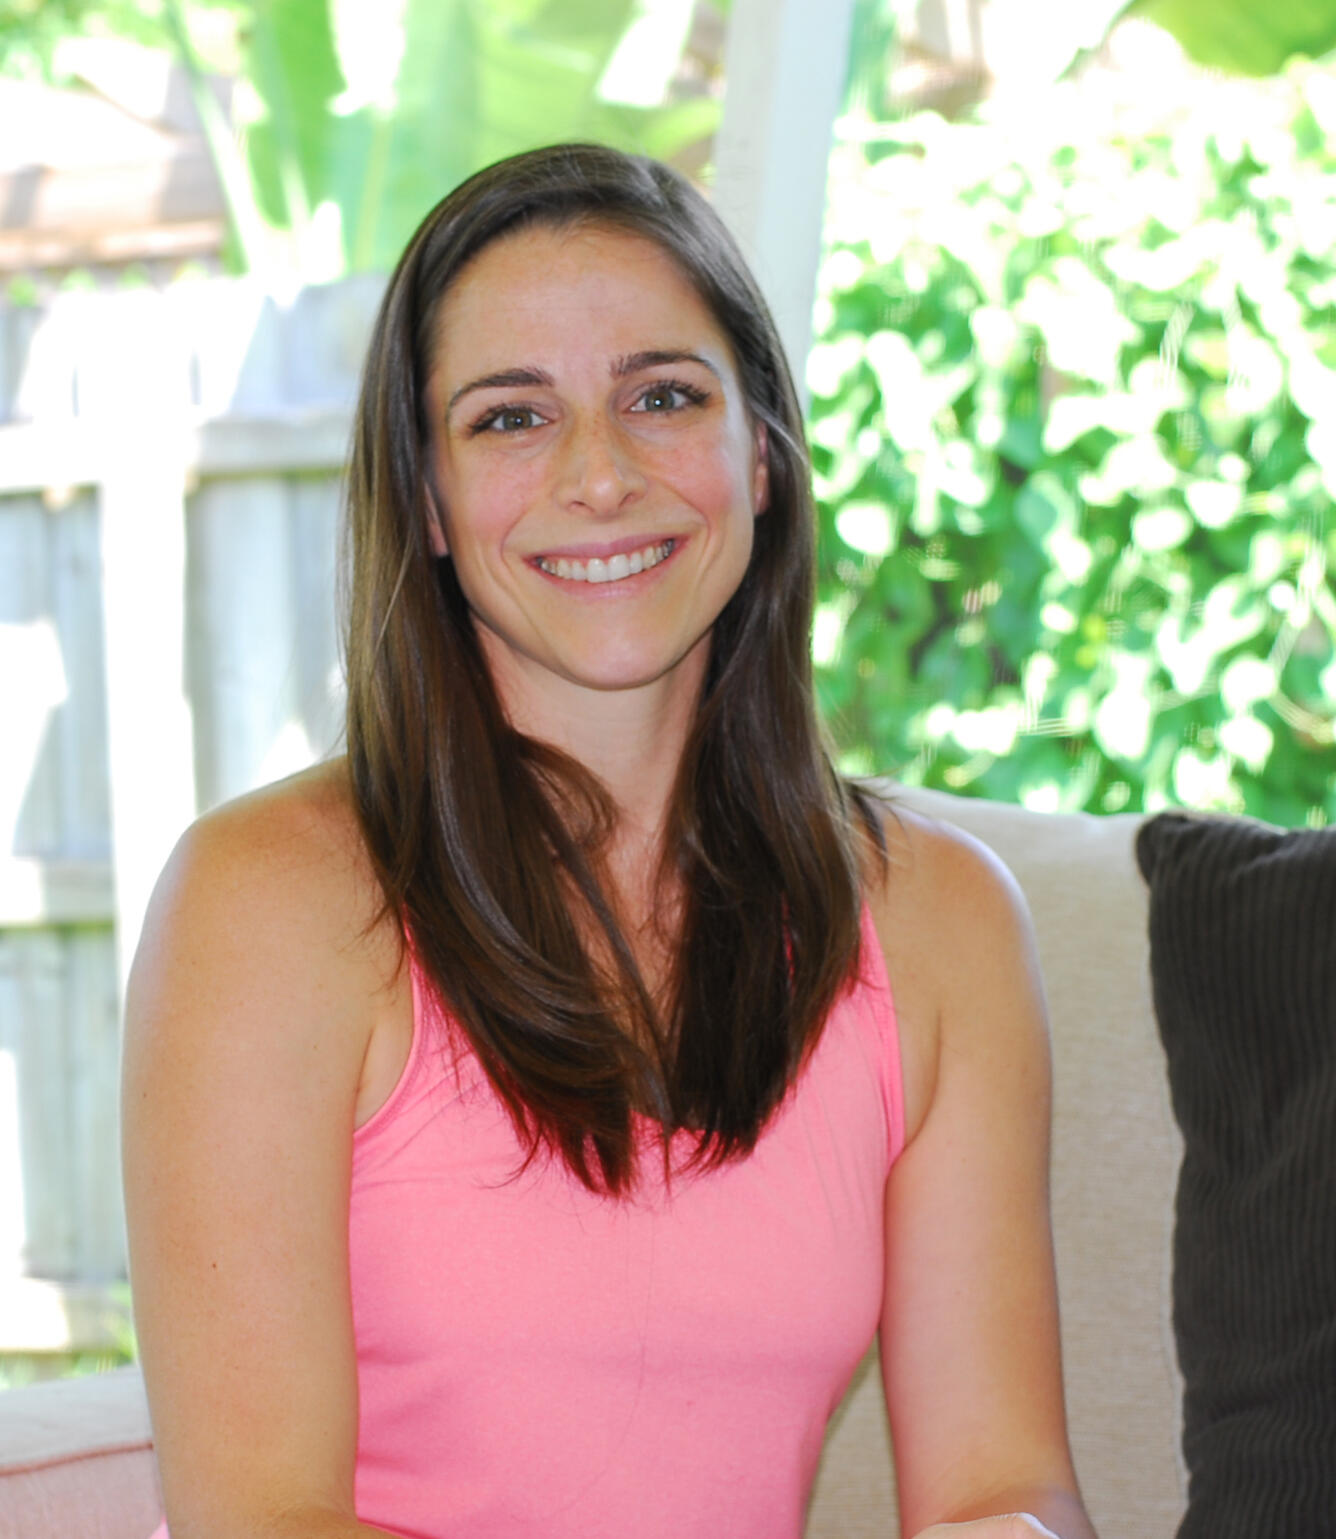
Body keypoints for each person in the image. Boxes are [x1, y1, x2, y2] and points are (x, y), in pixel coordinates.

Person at [122, 142, 1098, 1539]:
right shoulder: (265, 904)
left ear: (760, 453)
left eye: (662, 396)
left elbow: (1014, 1488)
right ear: (432, 504)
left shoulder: (942, 923)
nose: (599, 475)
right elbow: (261, 1523)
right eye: (511, 419)